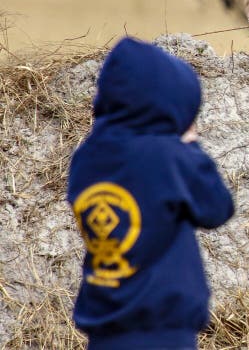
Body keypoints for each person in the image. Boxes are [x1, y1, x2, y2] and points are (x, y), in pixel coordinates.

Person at [67, 37, 235, 349]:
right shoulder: (168, 155)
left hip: (103, 328)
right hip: (163, 330)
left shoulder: (87, 154)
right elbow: (217, 208)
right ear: (168, 104)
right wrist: (190, 146)